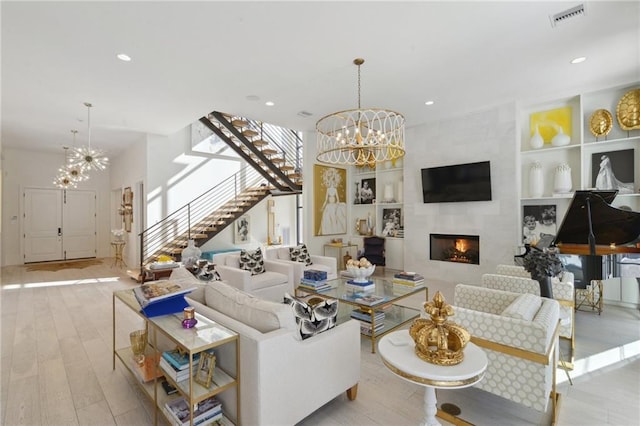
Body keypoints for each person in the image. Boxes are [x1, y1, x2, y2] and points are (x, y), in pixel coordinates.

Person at [318, 168, 347, 235]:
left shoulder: (335, 189)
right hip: (329, 206)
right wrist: (323, 207)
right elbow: (326, 200)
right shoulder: (328, 190)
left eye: (333, 181)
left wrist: (337, 206)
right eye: (330, 181)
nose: (332, 182)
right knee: (327, 219)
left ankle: (335, 231)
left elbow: (338, 199)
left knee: (334, 219)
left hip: (334, 205)